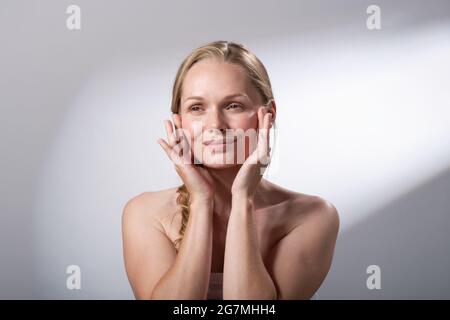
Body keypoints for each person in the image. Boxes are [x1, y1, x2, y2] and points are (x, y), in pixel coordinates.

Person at [122, 41, 339, 300]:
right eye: (196, 108)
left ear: (268, 114)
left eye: (233, 106)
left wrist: (242, 198)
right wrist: (202, 200)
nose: (215, 124)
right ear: (178, 122)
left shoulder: (312, 216)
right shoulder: (144, 213)